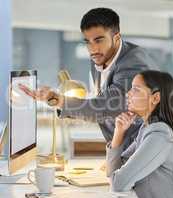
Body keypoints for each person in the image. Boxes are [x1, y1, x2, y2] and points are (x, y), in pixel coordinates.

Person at [19, 7, 157, 149]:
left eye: (98, 40)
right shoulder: (99, 57)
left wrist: (58, 100)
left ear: (116, 38)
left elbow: (106, 106)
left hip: (147, 148)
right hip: (123, 148)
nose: (92, 49)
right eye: (88, 42)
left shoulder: (133, 63)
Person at [106, 70, 173, 198]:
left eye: (136, 89)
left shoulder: (160, 136)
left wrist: (117, 177)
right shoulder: (147, 128)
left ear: (155, 98)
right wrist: (118, 133)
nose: (128, 94)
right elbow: (116, 171)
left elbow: (118, 184)